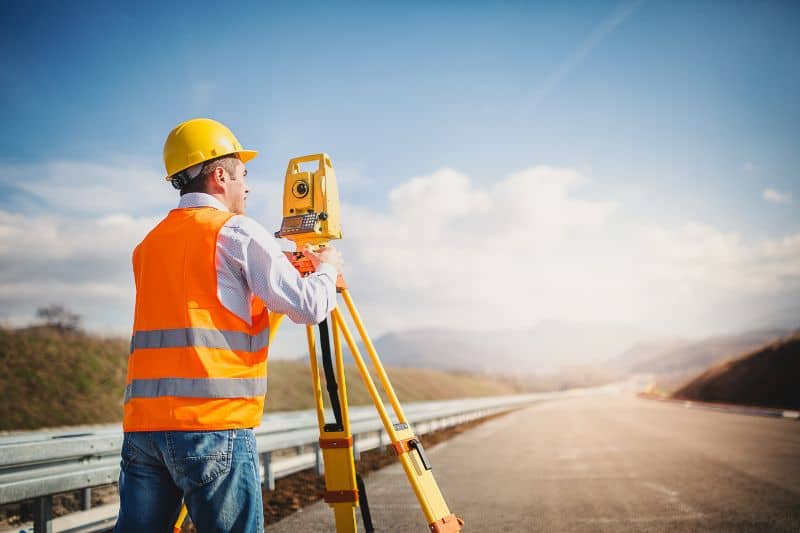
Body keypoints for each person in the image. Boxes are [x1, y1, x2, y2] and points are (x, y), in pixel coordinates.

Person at [114, 118, 342, 532]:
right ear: (220, 175)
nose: (248, 187)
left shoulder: (148, 244)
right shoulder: (237, 232)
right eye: (243, 174)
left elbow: (204, 306)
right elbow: (308, 306)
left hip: (144, 430)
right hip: (212, 427)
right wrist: (327, 269)